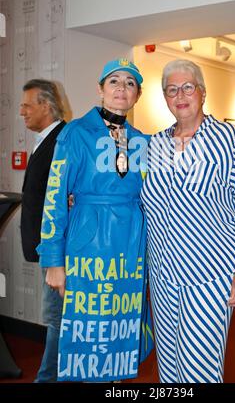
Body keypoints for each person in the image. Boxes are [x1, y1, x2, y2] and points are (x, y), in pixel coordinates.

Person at [141, 59, 235, 383]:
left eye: (187, 87)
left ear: (202, 93)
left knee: (200, 371)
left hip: (209, 276)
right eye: (171, 90)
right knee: (168, 369)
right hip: (163, 277)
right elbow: (136, 199)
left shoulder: (228, 139)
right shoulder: (154, 146)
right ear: (165, 98)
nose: (180, 95)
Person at [37, 59, 153, 382]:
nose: (121, 88)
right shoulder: (75, 133)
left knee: (119, 334)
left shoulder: (144, 141)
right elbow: (55, 196)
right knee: (82, 338)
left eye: (130, 83)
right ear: (100, 88)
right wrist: (53, 261)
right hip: (86, 246)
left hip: (129, 249)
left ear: (137, 96)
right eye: (114, 81)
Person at [20, 79, 66, 382]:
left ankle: (47, 378)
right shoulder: (46, 140)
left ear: (46, 106)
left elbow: (64, 199)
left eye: (27, 105)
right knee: (55, 318)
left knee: (55, 318)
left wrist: (56, 257)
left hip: (56, 251)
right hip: (46, 249)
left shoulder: (64, 140)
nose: (21, 112)